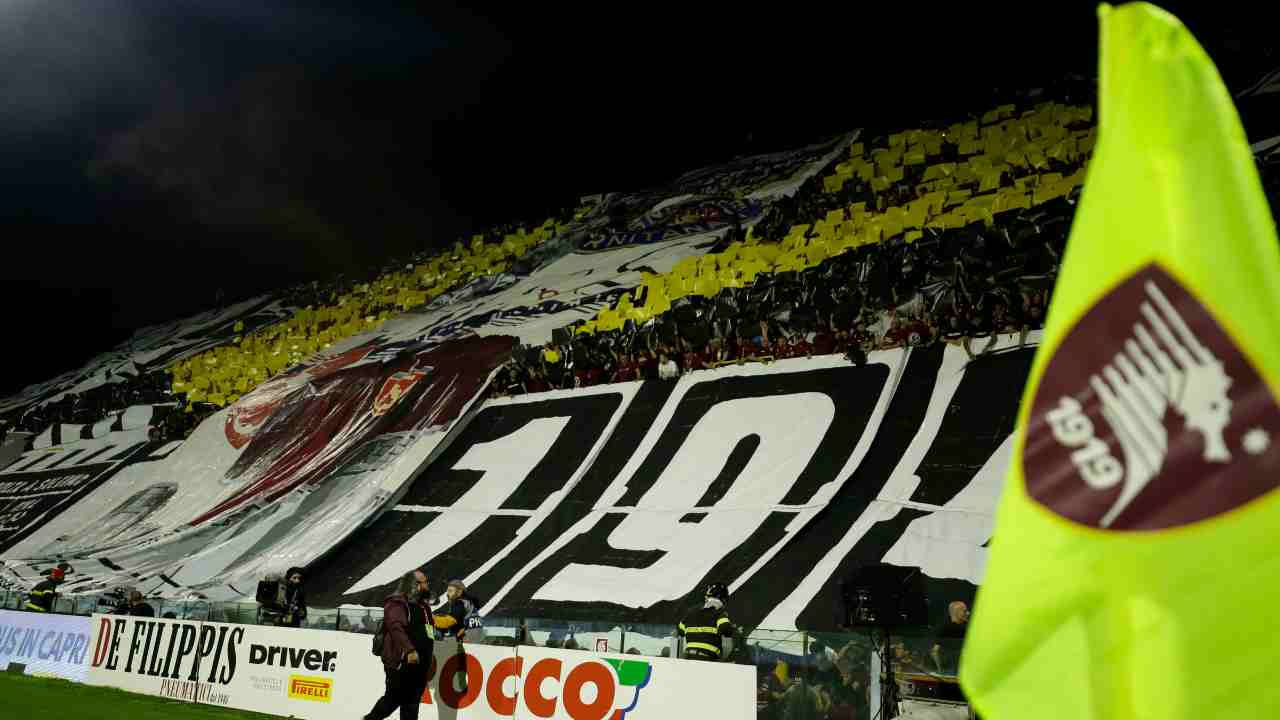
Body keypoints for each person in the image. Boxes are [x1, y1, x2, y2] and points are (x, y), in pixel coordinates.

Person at [365, 569, 434, 720]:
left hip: (420, 665)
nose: (427, 585)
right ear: (415, 585)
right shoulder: (396, 603)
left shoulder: (424, 606)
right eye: (424, 582)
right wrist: (410, 650)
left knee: (412, 702)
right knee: (393, 699)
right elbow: (395, 627)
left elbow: (428, 632)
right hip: (402, 663)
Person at [677, 582, 736, 661]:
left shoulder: (691, 613)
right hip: (707, 658)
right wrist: (733, 628)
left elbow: (680, 630)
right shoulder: (719, 613)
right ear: (723, 599)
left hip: (688, 656)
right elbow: (726, 629)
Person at [930, 600, 970, 675]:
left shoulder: (967, 626)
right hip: (951, 671)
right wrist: (940, 670)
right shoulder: (944, 628)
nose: (968, 613)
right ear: (956, 612)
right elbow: (935, 652)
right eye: (964, 611)